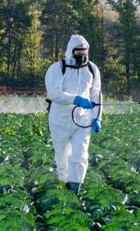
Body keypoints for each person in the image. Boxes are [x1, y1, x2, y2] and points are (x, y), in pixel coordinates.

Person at [44, 35, 102, 195]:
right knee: (62, 159)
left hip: (82, 120)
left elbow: (96, 95)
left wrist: (97, 117)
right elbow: (55, 94)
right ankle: (64, 185)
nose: (82, 55)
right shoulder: (57, 69)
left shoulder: (92, 70)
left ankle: (75, 188)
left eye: (85, 52)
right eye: (79, 52)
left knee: (80, 155)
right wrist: (75, 99)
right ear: (71, 51)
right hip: (60, 120)